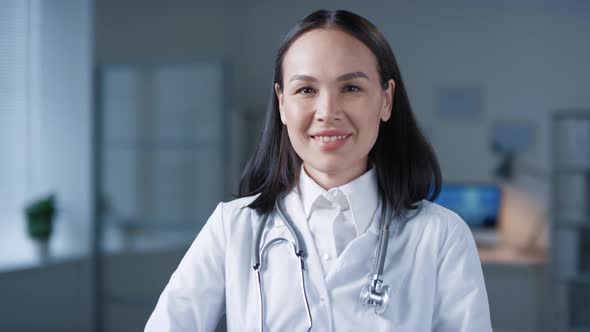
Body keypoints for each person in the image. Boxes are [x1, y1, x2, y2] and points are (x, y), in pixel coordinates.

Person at [145, 9, 492, 332]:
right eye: (306, 89)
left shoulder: (441, 236)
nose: (327, 111)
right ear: (282, 103)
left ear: (386, 99)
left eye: (351, 88)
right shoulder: (233, 228)